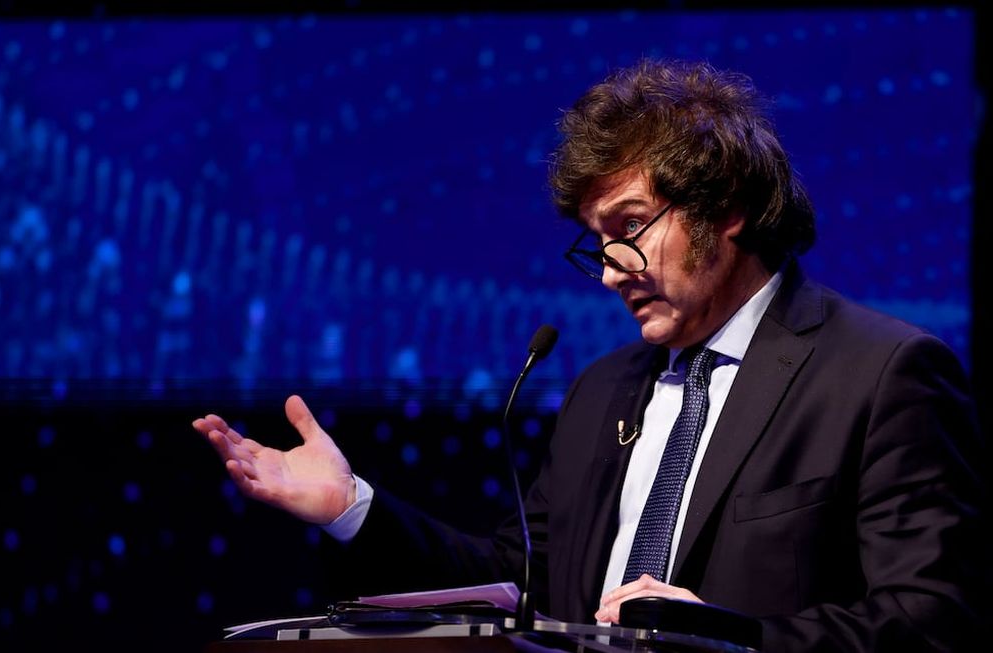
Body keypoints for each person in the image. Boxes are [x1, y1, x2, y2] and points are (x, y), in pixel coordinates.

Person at [193, 59, 987, 651]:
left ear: (731, 206)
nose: (610, 272)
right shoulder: (603, 391)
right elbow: (517, 579)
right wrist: (352, 506)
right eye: (597, 245)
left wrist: (726, 640)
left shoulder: (884, 373)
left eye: (631, 228)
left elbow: (932, 618)